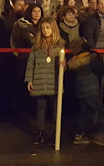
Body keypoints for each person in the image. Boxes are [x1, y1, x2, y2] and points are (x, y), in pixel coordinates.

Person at [25, 16, 65, 145]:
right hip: (40, 79)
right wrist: (29, 79)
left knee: (55, 108)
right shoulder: (36, 45)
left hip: (53, 81)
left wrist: (64, 65)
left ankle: (55, 132)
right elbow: (31, 63)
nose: (45, 30)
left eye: (48, 28)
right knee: (41, 107)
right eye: (42, 28)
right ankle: (40, 132)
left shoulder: (59, 45)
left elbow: (63, 65)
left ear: (53, 28)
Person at [67, 38, 104, 146]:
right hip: (91, 91)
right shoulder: (90, 59)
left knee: (85, 113)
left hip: (80, 91)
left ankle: (79, 134)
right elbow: (103, 68)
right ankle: (98, 134)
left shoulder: (74, 61)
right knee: (100, 111)